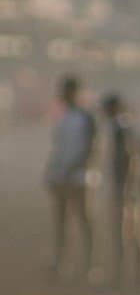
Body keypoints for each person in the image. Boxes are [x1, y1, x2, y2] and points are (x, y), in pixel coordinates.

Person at [44, 74, 98, 281]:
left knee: (85, 219)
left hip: (80, 177)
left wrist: (76, 167)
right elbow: (57, 148)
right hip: (61, 176)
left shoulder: (86, 117)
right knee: (61, 220)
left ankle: (91, 264)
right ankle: (61, 262)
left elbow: (93, 146)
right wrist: (52, 171)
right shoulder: (62, 118)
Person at [101, 93, 140, 286]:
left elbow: (131, 157)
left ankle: (121, 275)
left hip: (125, 189)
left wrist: (126, 187)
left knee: (124, 232)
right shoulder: (130, 126)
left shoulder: (120, 128)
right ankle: (139, 274)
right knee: (137, 231)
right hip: (133, 188)